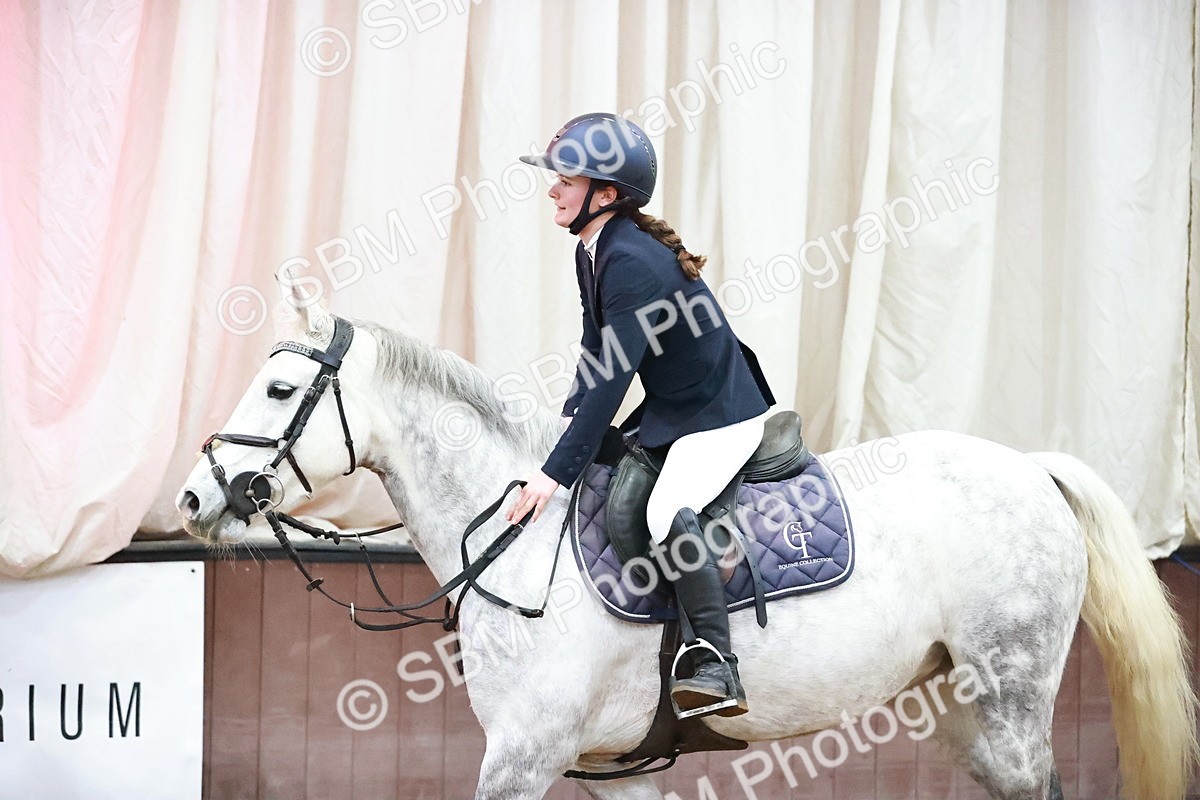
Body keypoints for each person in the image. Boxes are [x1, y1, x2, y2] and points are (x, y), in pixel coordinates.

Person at [505, 113, 776, 718]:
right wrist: (568, 424)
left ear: (604, 195)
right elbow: (592, 352)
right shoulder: (593, 249)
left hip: (719, 413)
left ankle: (714, 659)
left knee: (661, 511)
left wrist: (553, 473)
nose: (553, 189)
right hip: (675, 406)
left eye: (565, 181)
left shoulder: (629, 261)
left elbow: (613, 378)